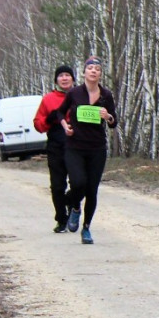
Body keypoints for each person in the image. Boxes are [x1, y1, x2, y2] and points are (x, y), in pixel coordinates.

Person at [56, 56, 118, 244]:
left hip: (97, 148)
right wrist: (65, 126)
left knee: (92, 190)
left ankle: (86, 228)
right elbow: (59, 112)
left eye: (97, 69)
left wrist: (107, 116)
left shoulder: (106, 95)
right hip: (75, 147)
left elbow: (114, 122)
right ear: (84, 72)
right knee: (78, 182)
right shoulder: (74, 93)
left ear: (100, 74)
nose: (93, 71)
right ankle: (75, 207)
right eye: (90, 68)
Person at [33, 65, 75, 232]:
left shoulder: (81, 95)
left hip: (77, 143)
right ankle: (61, 219)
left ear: (73, 79)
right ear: (56, 79)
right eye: (61, 76)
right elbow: (38, 124)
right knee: (57, 185)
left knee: (79, 183)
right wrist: (49, 120)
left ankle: (72, 208)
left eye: (68, 75)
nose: (64, 78)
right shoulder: (48, 99)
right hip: (56, 144)